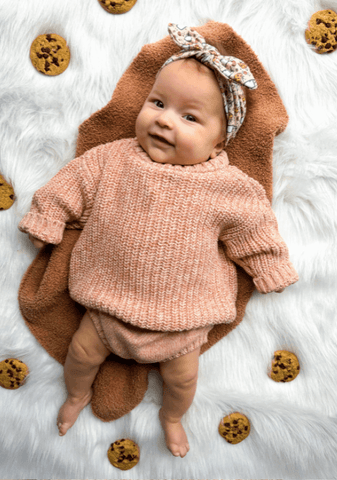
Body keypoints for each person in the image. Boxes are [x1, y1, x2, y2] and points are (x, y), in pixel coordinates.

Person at [18, 24, 298, 458]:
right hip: (105, 308)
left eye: (189, 117)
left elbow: (255, 228)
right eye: (158, 103)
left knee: (182, 380)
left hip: (183, 323)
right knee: (80, 356)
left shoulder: (229, 185)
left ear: (220, 139)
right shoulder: (113, 158)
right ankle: (74, 397)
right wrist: (46, 218)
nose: (165, 119)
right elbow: (67, 185)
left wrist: (269, 266)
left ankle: (172, 418)